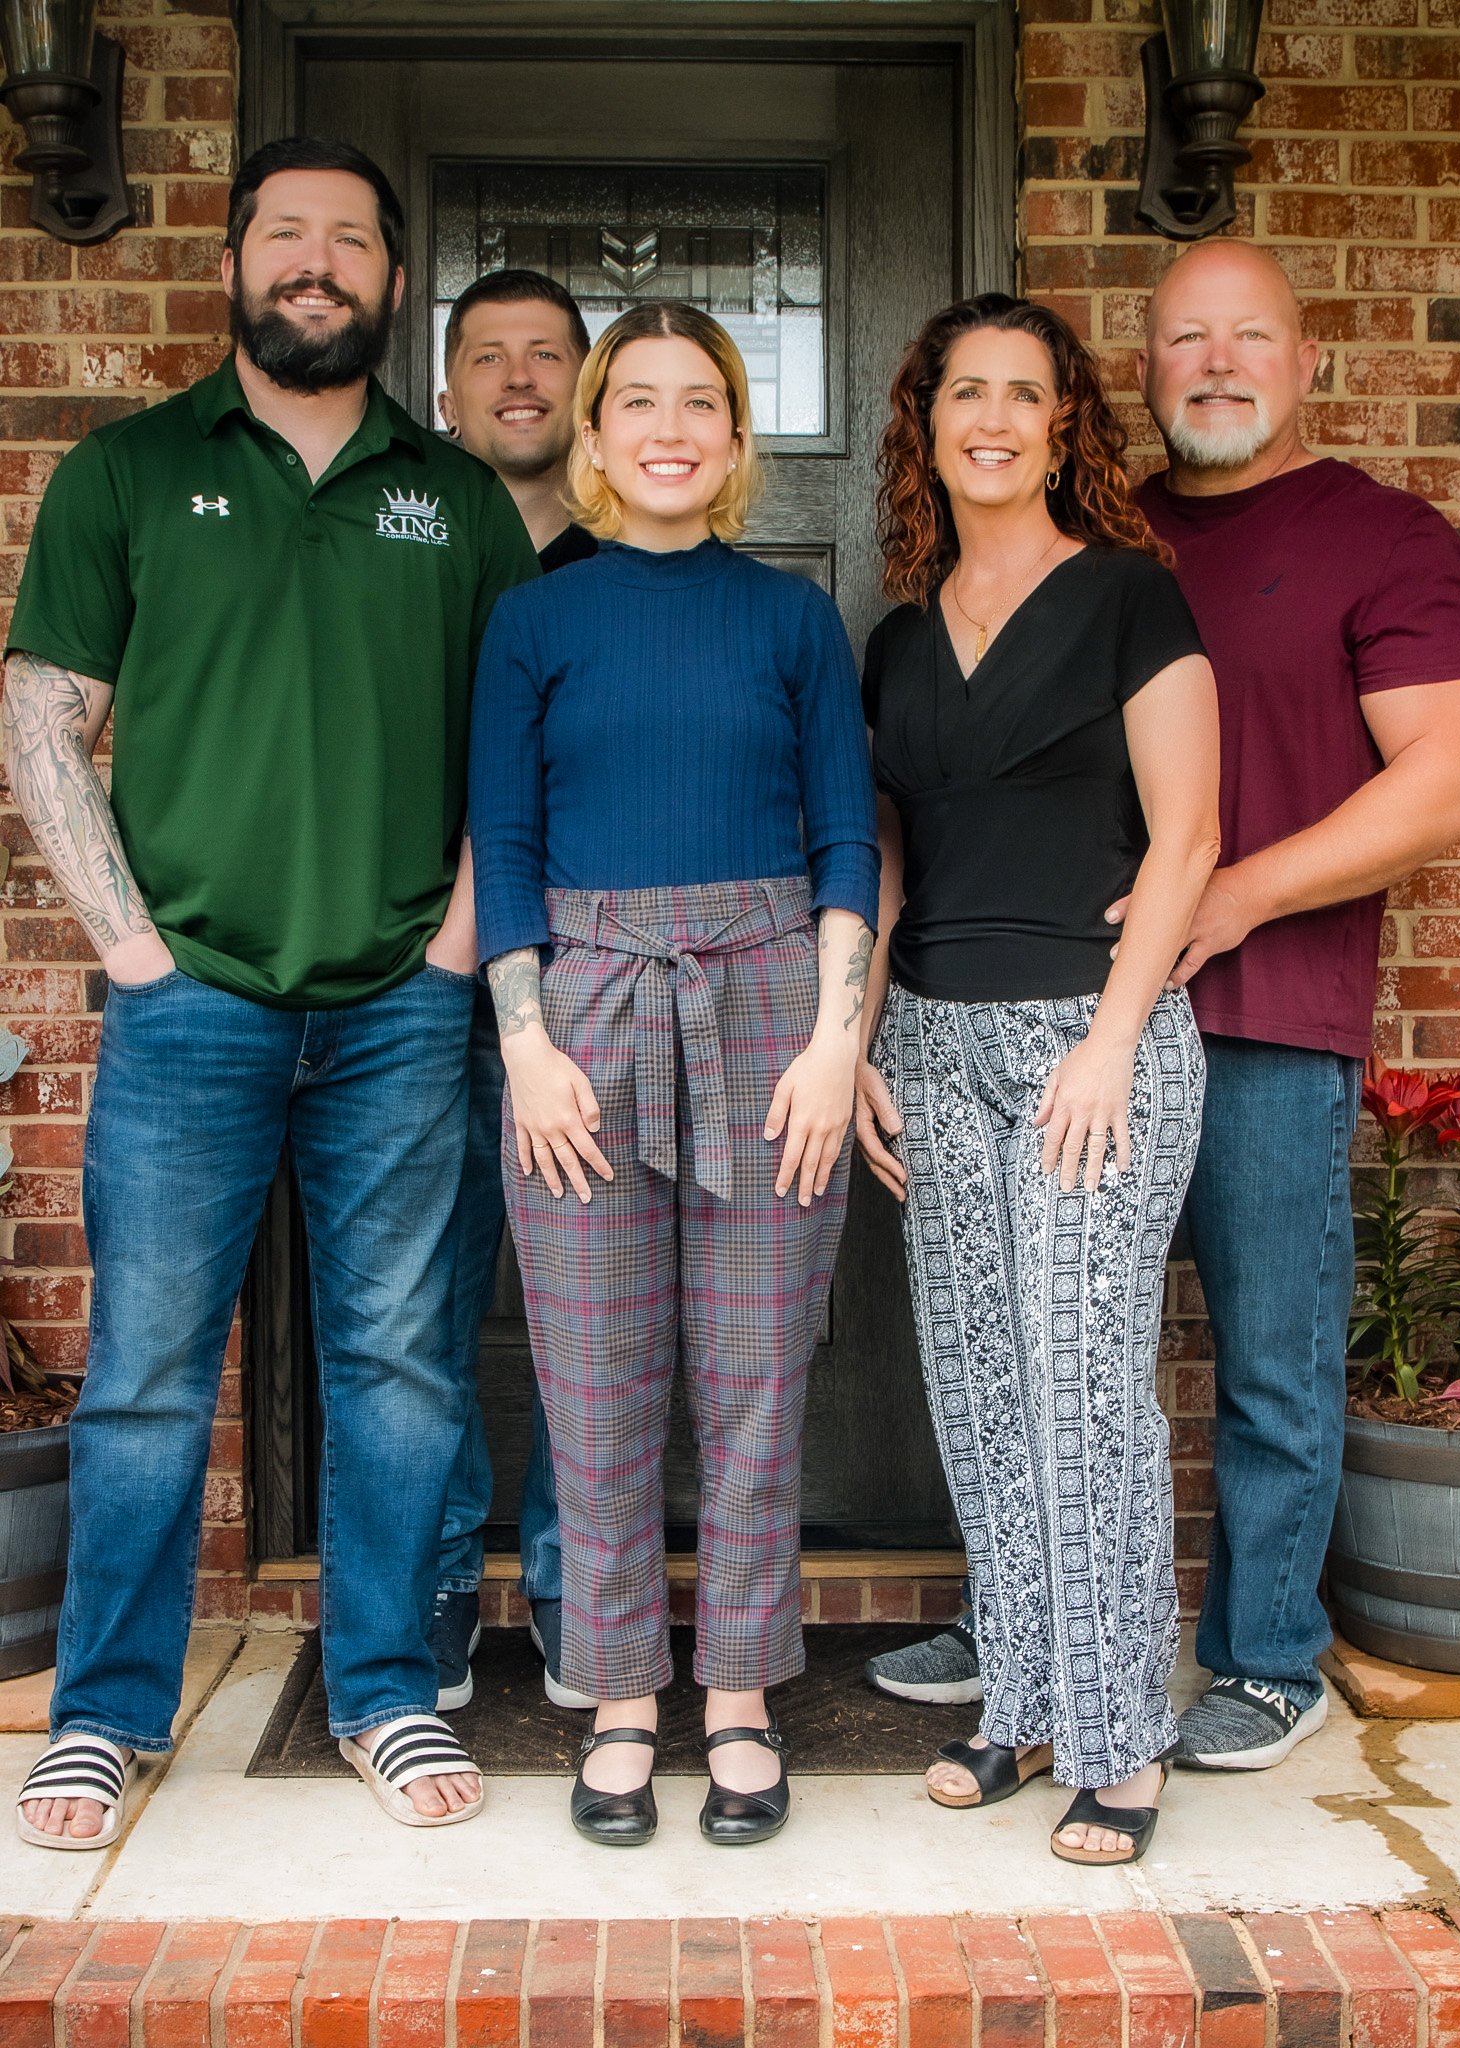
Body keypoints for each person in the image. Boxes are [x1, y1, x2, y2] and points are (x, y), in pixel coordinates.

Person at [6, 137, 537, 1847]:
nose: (317, 261)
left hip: (400, 1008)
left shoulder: (454, 501)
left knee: (400, 1369)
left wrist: (453, 951)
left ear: (394, 279)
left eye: (351, 240)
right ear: (234, 262)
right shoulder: (130, 470)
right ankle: (104, 1714)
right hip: (191, 1006)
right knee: (149, 1374)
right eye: (286, 234)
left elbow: (512, 755)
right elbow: (44, 721)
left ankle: (380, 1690)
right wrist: (133, 954)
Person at [469, 300, 878, 1847]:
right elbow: (503, 843)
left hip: (773, 1008)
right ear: (592, 433)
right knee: (593, 1378)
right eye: (634, 399)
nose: (666, 427)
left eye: (697, 399)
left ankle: (742, 1694)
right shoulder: (535, 621)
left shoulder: (790, 619)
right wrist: (525, 1048)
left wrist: (836, 1041)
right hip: (580, 1015)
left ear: (731, 434)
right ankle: (623, 1694)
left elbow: (846, 838)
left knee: (757, 1376)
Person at [855, 293, 1221, 1865]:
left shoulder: (1130, 597)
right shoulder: (896, 638)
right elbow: (883, 858)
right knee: (981, 1399)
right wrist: (859, 1038)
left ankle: (1119, 1740)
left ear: (1062, 424)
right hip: (931, 1044)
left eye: (1023, 394)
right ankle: (1017, 1702)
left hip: (1090, 1039)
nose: (992, 419)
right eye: (965, 394)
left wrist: (1111, 1043)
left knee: (1080, 1395)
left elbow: (1189, 835)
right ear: (926, 426)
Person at [1128, 240, 1460, 1769]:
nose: (1215, 364)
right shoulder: (1100, 537)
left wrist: (1239, 895)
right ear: (1144, 369)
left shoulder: (1379, 537)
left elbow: (1448, 778)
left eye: (1246, 337)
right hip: (1080, 1018)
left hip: (1271, 1015)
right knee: (1049, 1344)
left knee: (1272, 1359)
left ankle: (1265, 1654)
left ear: (1304, 362)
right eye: (1184, 340)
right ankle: (1031, 1619)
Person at [428, 269, 600, 1713]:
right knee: (420, 1307)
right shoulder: (402, 552)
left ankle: (564, 1579)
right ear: (447, 395)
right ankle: (432, 1588)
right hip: (416, 984)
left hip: (581, 993)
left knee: (578, 1310)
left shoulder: (630, 562)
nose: (520, 377)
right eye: (489, 356)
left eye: (548, 354)